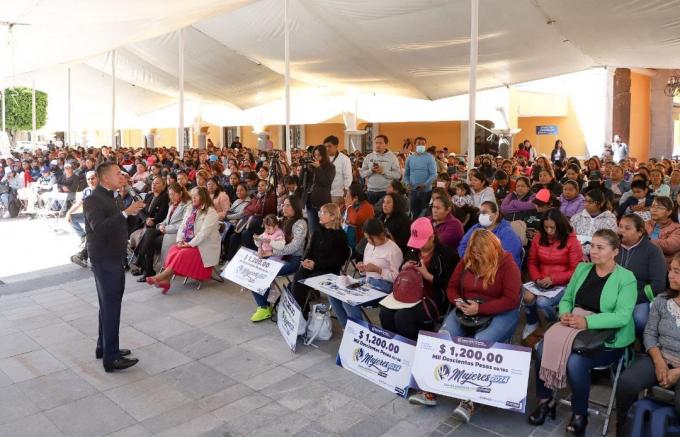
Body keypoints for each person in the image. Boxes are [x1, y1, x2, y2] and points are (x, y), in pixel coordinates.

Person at [528, 229, 636, 436]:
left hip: (608, 336)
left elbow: (622, 316)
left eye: (600, 247)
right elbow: (567, 298)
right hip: (575, 325)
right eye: (592, 246)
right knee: (542, 348)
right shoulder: (583, 269)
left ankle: (580, 413)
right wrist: (565, 314)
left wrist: (586, 321)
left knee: (575, 363)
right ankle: (545, 401)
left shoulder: (626, 278)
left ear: (615, 252)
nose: (593, 251)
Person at [438, 229, 521, 420]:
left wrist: (480, 309)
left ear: (492, 250)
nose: (476, 257)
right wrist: (457, 300)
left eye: (480, 253)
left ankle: (469, 399)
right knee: (444, 336)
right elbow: (451, 287)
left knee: (480, 342)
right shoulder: (468, 259)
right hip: (468, 308)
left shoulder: (508, 265)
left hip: (501, 311)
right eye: (473, 252)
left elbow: (511, 300)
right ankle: (433, 387)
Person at [84, 162, 145, 372]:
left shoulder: (113, 195)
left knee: (107, 305)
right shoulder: (92, 199)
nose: (122, 176)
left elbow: (118, 222)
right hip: (105, 258)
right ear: (105, 178)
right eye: (117, 173)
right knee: (111, 306)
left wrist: (130, 212)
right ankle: (112, 357)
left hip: (113, 255)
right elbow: (99, 228)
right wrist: (125, 213)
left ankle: (104, 347)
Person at [615, 252, 680, 435]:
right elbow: (650, 334)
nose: (670, 275)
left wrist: (677, 372)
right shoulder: (662, 300)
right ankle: (623, 429)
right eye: (670, 270)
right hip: (661, 356)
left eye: (677, 271)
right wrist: (659, 362)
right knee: (626, 383)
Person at [381, 217, 456, 345]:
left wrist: (428, 276)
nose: (418, 246)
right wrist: (403, 269)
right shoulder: (413, 251)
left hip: (433, 297)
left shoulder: (447, 254)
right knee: (385, 313)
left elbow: (451, 284)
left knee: (402, 317)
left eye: (421, 242)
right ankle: (393, 348)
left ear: (432, 237)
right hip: (408, 293)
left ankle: (413, 348)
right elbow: (401, 271)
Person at [329, 218, 404, 327]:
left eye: (370, 238)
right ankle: (347, 328)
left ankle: (357, 332)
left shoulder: (393, 250)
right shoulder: (370, 245)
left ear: (381, 234)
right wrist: (362, 268)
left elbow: (397, 279)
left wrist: (378, 270)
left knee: (348, 301)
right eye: (367, 238)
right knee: (334, 294)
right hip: (368, 281)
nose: (368, 241)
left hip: (385, 287)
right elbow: (366, 272)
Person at [146, 187, 220, 294]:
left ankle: (159, 277)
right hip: (189, 242)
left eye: (196, 196)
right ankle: (166, 280)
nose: (193, 198)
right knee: (173, 249)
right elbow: (182, 226)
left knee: (182, 253)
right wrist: (180, 240)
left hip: (204, 246)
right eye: (192, 196)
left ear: (203, 197)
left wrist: (189, 244)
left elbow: (204, 234)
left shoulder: (211, 212)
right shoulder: (191, 208)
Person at [522, 209, 583, 339]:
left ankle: (553, 323)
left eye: (552, 228)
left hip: (564, 282)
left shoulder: (571, 241)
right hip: (542, 279)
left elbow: (576, 270)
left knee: (542, 303)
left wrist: (553, 279)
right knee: (527, 296)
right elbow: (532, 262)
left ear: (560, 226)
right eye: (546, 227)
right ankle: (532, 322)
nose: (549, 231)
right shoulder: (539, 237)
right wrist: (537, 278)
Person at [250, 195, 307, 322]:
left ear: (295, 207)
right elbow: (268, 235)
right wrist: (260, 242)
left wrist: (271, 252)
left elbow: (294, 247)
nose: (284, 207)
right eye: (283, 204)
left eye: (288, 205)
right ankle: (264, 306)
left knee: (264, 271)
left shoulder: (300, 223)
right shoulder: (283, 220)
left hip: (294, 259)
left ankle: (264, 307)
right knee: (253, 269)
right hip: (279, 256)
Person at [290, 203, 349, 314]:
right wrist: (305, 260)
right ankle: (300, 314)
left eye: (323, 212)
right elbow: (309, 250)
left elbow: (337, 262)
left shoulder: (340, 236)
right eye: (320, 212)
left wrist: (315, 265)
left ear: (333, 216)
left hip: (329, 271)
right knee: (298, 278)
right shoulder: (318, 231)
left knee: (302, 283)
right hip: (313, 266)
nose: (319, 215)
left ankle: (300, 315)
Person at [616, 213, 667, 333]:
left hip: (639, 296)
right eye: (620, 226)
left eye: (627, 228)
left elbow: (658, 285)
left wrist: (631, 297)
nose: (621, 231)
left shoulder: (653, 251)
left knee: (639, 320)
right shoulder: (613, 246)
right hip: (613, 292)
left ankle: (637, 346)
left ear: (640, 232)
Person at [134, 183, 191, 281]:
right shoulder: (172, 204)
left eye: (173, 194)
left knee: (149, 240)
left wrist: (166, 228)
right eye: (170, 194)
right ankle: (146, 268)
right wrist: (161, 225)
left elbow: (184, 224)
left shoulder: (186, 205)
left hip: (175, 233)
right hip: (166, 230)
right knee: (149, 233)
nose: (171, 197)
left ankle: (144, 265)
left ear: (180, 193)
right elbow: (166, 220)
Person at [458, 200, 523, 267]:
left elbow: (507, 259)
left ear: (496, 214)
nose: (481, 216)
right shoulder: (476, 227)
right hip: (475, 266)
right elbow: (463, 245)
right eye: (480, 213)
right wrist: (469, 260)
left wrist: (481, 266)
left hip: (498, 270)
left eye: (484, 213)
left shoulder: (508, 233)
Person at [67, 170, 98, 267]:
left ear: (97, 178)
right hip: (87, 216)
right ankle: (83, 236)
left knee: (93, 233)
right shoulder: (86, 191)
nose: (90, 181)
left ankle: (82, 256)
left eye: (92, 178)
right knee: (71, 217)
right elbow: (79, 203)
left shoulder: (103, 190)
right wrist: (69, 212)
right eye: (88, 179)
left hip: (99, 219)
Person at [359, 135, 402, 204]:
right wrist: (371, 171)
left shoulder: (392, 157)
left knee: (384, 213)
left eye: (380, 143)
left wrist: (383, 171)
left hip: (386, 191)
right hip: (371, 191)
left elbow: (398, 175)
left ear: (386, 145)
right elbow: (362, 174)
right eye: (376, 143)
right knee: (371, 213)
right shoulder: (369, 157)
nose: (378, 145)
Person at [305, 144, 335, 236]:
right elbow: (305, 183)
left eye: (319, 155)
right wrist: (304, 169)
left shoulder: (330, 167)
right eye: (315, 155)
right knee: (313, 230)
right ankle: (314, 247)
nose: (317, 157)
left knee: (324, 229)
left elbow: (326, 182)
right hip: (310, 202)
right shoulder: (310, 167)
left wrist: (319, 168)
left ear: (324, 155)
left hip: (322, 202)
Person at [403, 139, 437, 218]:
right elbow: (406, 175)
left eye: (423, 144)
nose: (421, 145)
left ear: (426, 145)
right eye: (419, 143)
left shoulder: (430, 158)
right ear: (414, 145)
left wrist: (425, 184)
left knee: (425, 213)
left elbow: (433, 174)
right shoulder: (409, 158)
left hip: (426, 191)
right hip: (412, 191)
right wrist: (407, 184)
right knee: (413, 213)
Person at [645, 196, 680, 268]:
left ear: (669, 212)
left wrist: (645, 241)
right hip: (643, 261)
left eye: (659, 207)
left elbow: (670, 246)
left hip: (663, 266)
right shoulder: (646, 224)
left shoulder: (677, 228)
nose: (654, 210)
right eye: (653, 206)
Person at [344, 182, 375, 251]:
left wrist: (349, 206)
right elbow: (341, 217)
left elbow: (355, 221)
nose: (345, 197)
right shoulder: (352, 204)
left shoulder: (367, 207)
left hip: (358, 242)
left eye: (348, 195)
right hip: (348, 237)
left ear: (355, 198)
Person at [324, 135, 352, 206]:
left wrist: (346, 192)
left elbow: (348, 177)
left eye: (329, 146)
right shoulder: (323, 158)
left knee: (335, 215)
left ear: (336, 146)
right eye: (325, 147)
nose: (327, 149)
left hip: (338, 194)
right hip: (324, 193)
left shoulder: (344, 159)